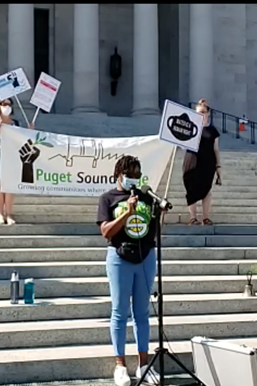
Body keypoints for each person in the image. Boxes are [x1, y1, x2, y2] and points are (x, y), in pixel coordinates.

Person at [97, 155, 165, 386]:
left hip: (145, 257)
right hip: (119, 257)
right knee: (119, 311)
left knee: (142, 312)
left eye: (137, 175)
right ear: (119, 174)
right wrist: (127, 212)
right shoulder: (108, 198)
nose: (133, 179)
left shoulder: (146, 197)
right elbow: (106, 232)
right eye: (129, 175)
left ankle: (144, 364)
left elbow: (152, 231)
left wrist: (156, 213)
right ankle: (120, 365)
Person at [0, 98, 33, 226]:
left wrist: (30, 132)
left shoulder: (15, 124)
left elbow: (22, 141)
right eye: (4, 104)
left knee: (10, 186)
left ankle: (9, 214)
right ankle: (0, 215)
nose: (7, 107)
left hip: (12, 155)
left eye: (9, 104)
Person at [182, 98, 222, 225]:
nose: (201, 114)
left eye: (203, 112)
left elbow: (216, 149)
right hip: (191, 161)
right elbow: (181, 141)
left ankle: (206, 217)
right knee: (191, 189)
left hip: (207, 162)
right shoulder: (189, 127)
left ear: (208, 113)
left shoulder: (212, 130)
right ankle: (193, 217)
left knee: (206, 189)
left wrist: (218, 165)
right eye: (198, 112)